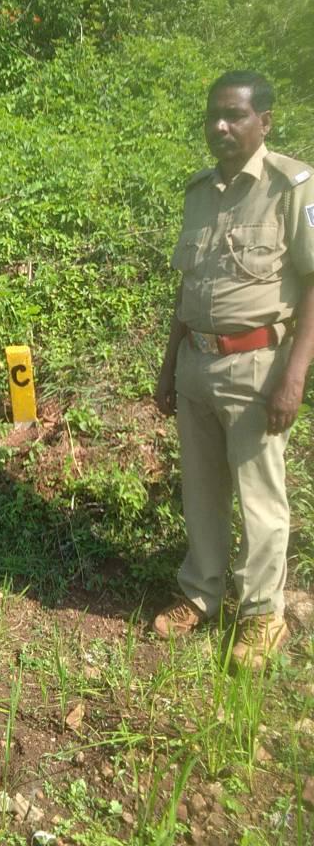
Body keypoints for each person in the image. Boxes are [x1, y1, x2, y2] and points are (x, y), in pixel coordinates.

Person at [154, 71, 314, 668]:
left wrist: (294, 377)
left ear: (264, 122)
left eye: (235, 115)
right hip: (196, 363)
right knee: (201, 490)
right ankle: (201, 593)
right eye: (212, 116)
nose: (220, 126)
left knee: (259, 497)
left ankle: (262, 614)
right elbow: (187, 287)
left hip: (256, 367)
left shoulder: (293, 187)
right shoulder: (199, 192)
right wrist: (168, 366)